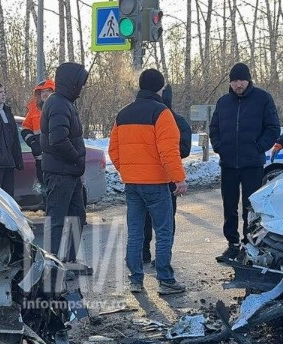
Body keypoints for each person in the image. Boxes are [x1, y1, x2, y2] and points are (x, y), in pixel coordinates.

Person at [109, 68, 188, 295]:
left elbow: (114, 149)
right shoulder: (162, 113)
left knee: (135, 232)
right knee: (164, 231)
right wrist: (179, 179)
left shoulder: (122, 114)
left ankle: (136, 280)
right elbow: (169, 151)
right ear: (160, 88)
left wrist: (126, 170)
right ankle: (165, 280)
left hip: (132, 184)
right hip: (156, 184)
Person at [209, 62, 280, 263]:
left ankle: (250, 244)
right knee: (229, 205)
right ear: (230, 83)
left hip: (253, 164)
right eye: (234, 81)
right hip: (229, 164)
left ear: (248, 80)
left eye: (241, 80)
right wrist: (219, 146)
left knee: (251, 207)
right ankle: (232, 244)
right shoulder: (223, 103)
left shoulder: (263, 99)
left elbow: (273, 128)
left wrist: (259, 147)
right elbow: (214, 128)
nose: (238, 85)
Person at [40, 63, 90, 269]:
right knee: (57, 219)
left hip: (69, 172)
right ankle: (50, 264)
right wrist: (76, 158)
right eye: (79, 83)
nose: (82, 87)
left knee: (77, 216)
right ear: (71, 83)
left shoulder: (66, 102)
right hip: (61, 172)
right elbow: (58, 140)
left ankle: (68, 261)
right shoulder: (58, 103)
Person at [141, 83, 192, 264]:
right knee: (145, 218)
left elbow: (184, 149)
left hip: (168, 177)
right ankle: (144, 251)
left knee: (166, 220)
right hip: (147, 175)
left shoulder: (177, 121)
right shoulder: (142, 117)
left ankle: (163, 255)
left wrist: (165, 150)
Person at [20, 79, 55, 196]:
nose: (44, 94)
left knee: (57, 192)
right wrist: (33, 143)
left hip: (57, 159)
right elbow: (25, 128)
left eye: (48, 91)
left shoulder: (60, 107)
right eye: (42, 92)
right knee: (45, 192)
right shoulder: (34, 110)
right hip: (41, 159)